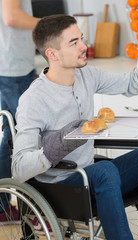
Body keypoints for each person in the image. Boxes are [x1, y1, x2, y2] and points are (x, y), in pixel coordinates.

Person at [12, 14, 138, 240]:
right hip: (62, 188)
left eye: (81, 38)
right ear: (52, 54)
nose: (84, 46)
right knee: (104, 170)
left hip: (93, 177)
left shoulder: (86, 75)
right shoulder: (34, 99)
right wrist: (58, 146)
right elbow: (19, 168)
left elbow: (134, 84)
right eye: (74, 43)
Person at [0, 0, 40, 224]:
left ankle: (2, 208)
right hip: (14, 69)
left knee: (10, 139)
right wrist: (46, 24)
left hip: (13, 66)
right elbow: (11, 17)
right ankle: (33, 210)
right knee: (30, 137)